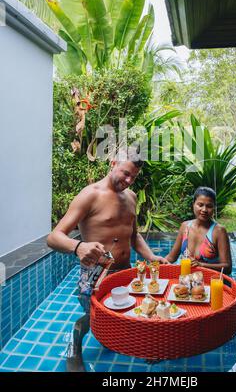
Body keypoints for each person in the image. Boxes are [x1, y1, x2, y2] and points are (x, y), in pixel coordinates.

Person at [47, 156, 168, 371]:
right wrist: (78, 247)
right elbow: (54, 237)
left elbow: (134, 235)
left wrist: (151, 257)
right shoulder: (90, 195)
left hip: (125, 272)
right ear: (113, 163)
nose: (130, 180)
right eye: (126, 173)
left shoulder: (131, 197)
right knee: (97, 320)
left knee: (135, 311)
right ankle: (74, 340)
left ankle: (143, 346)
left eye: (134, 176)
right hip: (97, 274)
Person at [165, 186, 232, 274]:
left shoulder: (219, 231)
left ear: (214, 207)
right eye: (200, 205)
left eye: (209, 206)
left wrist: (201, 265)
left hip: (208, 280)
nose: (204, 210)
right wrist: (156, 264)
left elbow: (227, 267)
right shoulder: (185, 226)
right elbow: (171, 257)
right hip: (185, 278)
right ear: (193, 204)